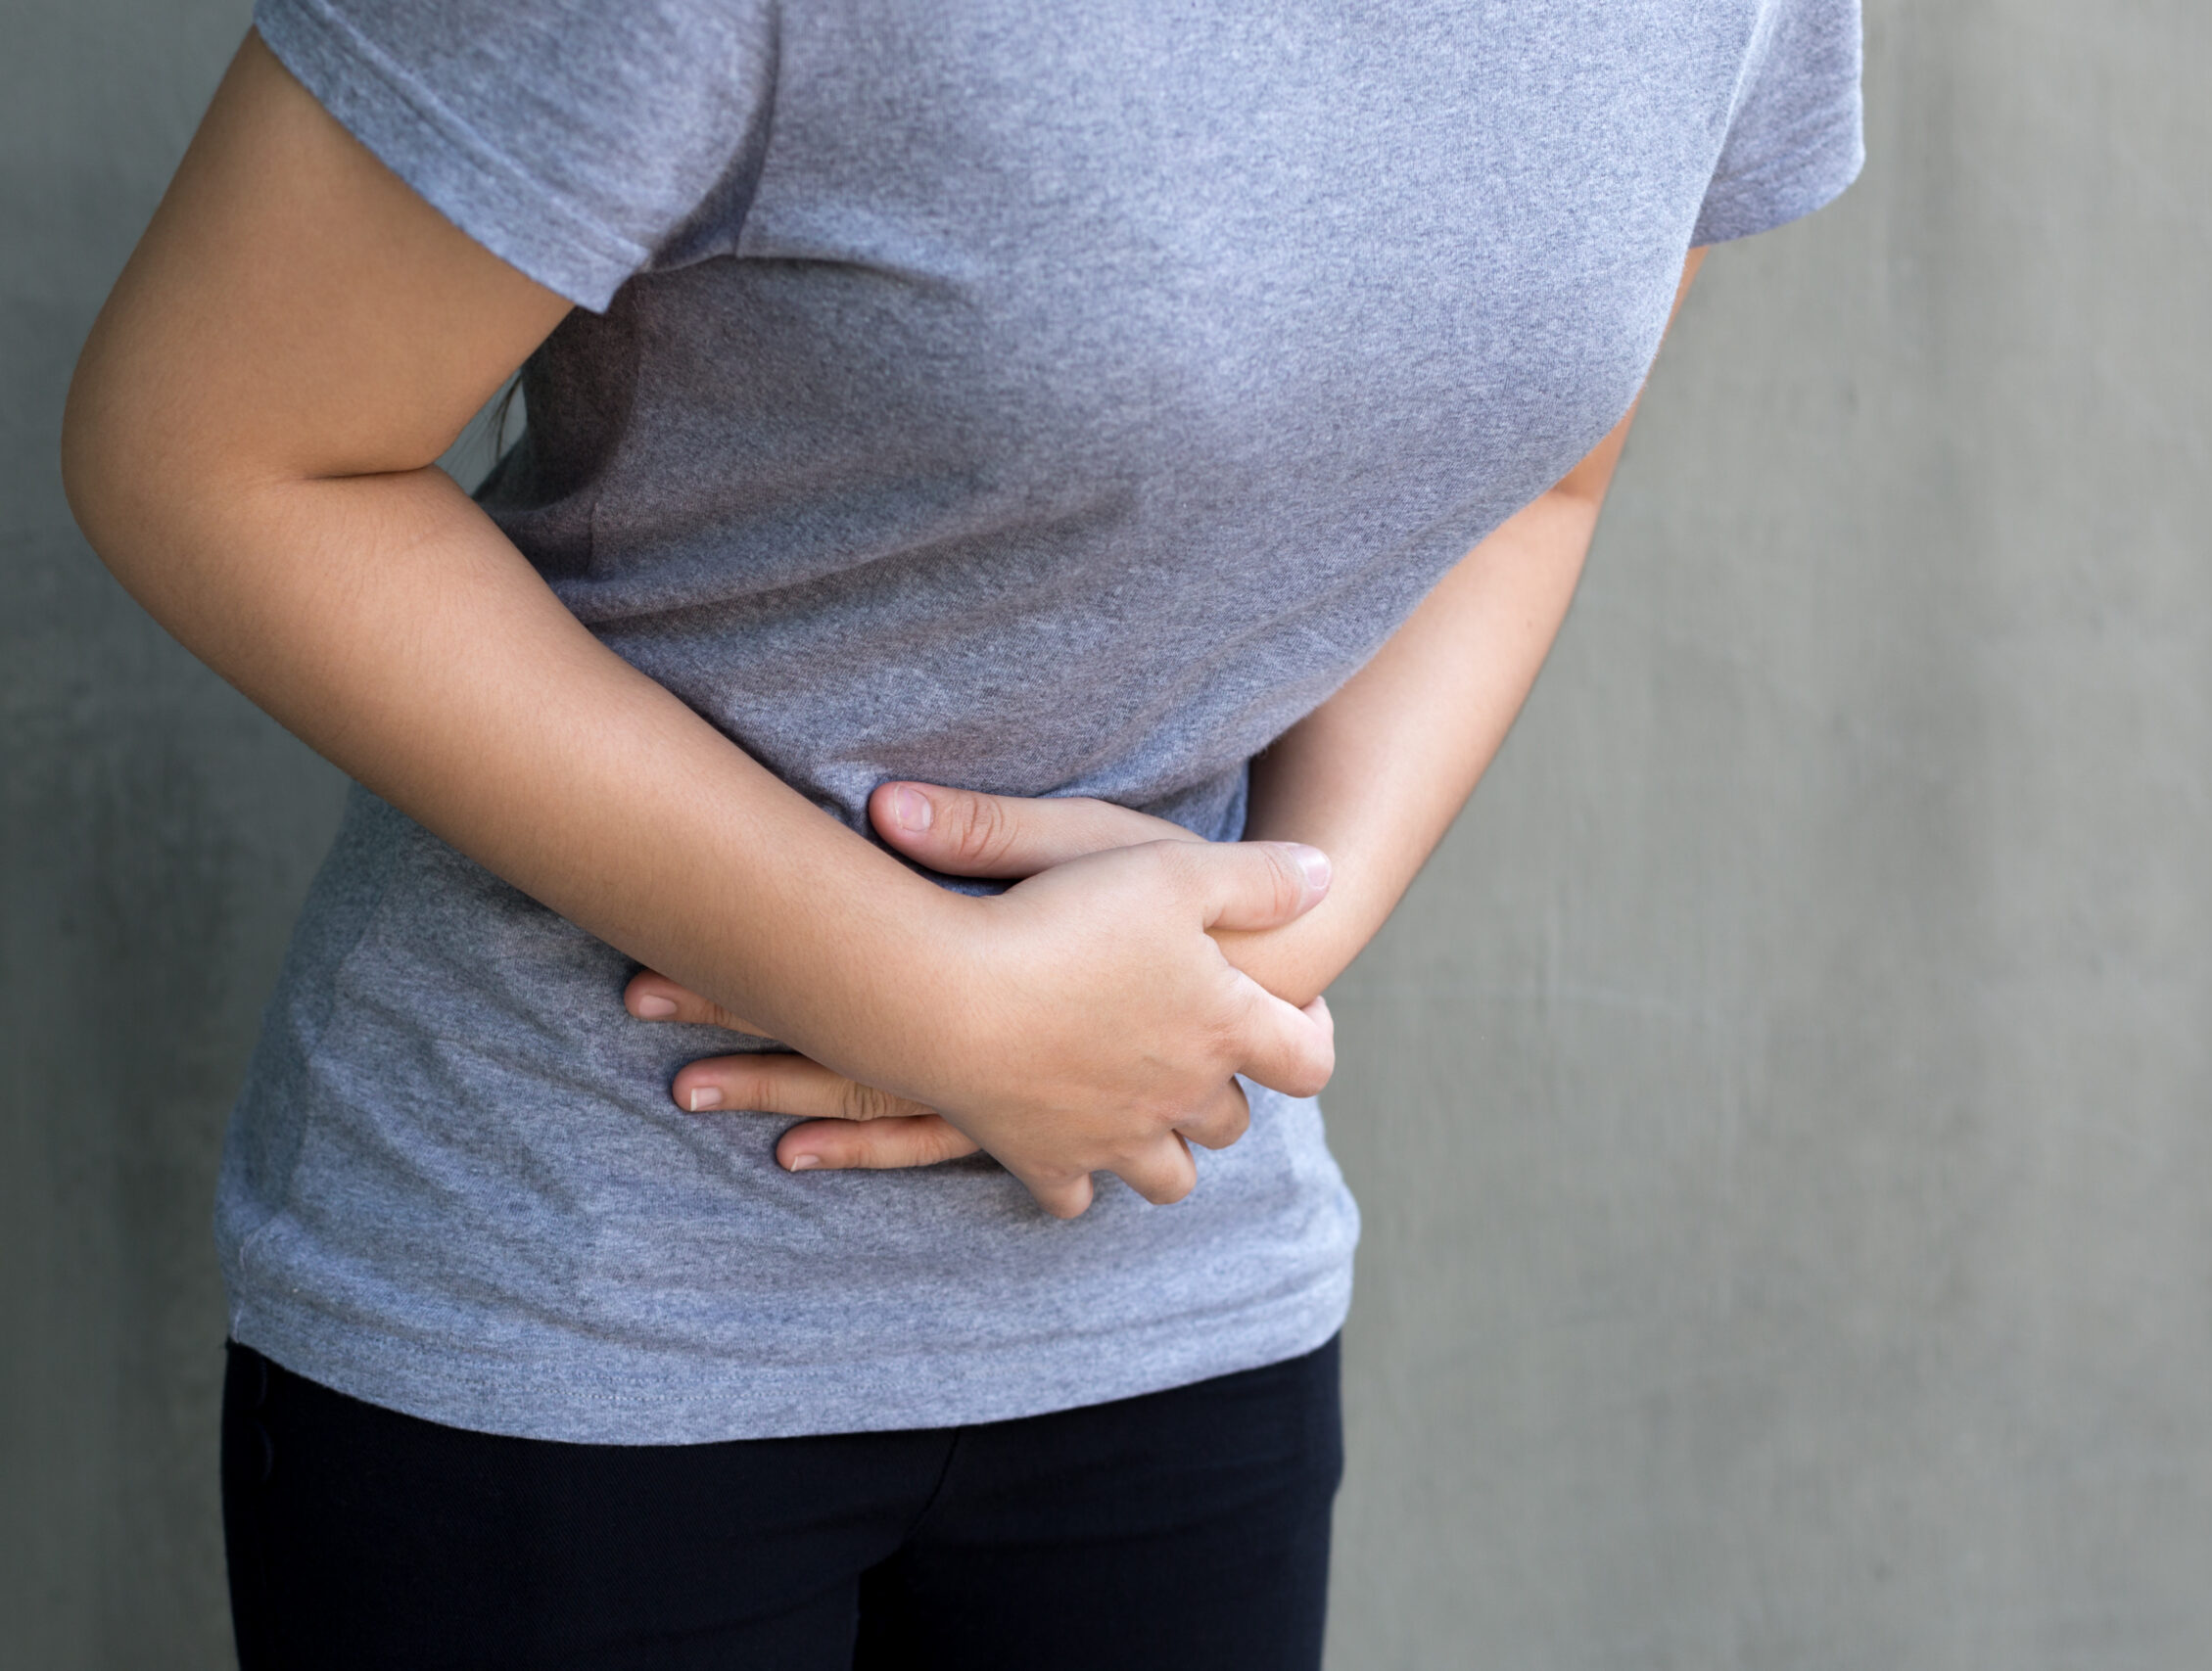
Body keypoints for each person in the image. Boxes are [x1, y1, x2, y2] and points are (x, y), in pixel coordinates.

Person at [61, 0, 1862, 1663]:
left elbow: (1541, 480)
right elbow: (210, 451)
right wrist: (929, 995)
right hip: (575, 1315)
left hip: (1169, 1268)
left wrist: (1255, 965)